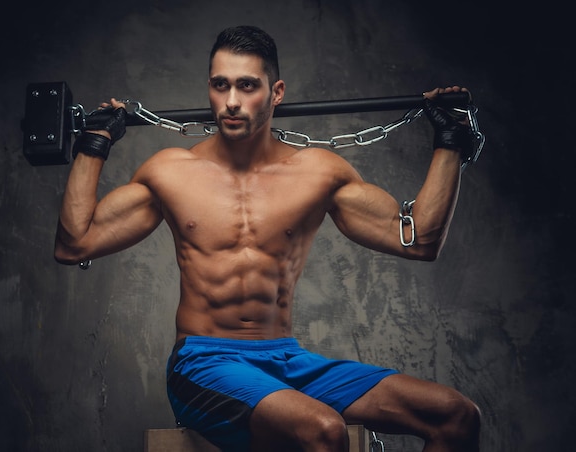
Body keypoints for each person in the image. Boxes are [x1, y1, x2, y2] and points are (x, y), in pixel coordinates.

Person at [55, 25, 480, 452]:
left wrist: (450, 142)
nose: (232, 101)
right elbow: (76, 242)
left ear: (276, 92)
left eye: (247, 86)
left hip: (286, 360)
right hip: (203, 364)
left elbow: (418, 239)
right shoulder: (171, 172)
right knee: (323, 430)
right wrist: (94, 143)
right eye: (220, 85)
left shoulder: (317, 173)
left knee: (455, 416)